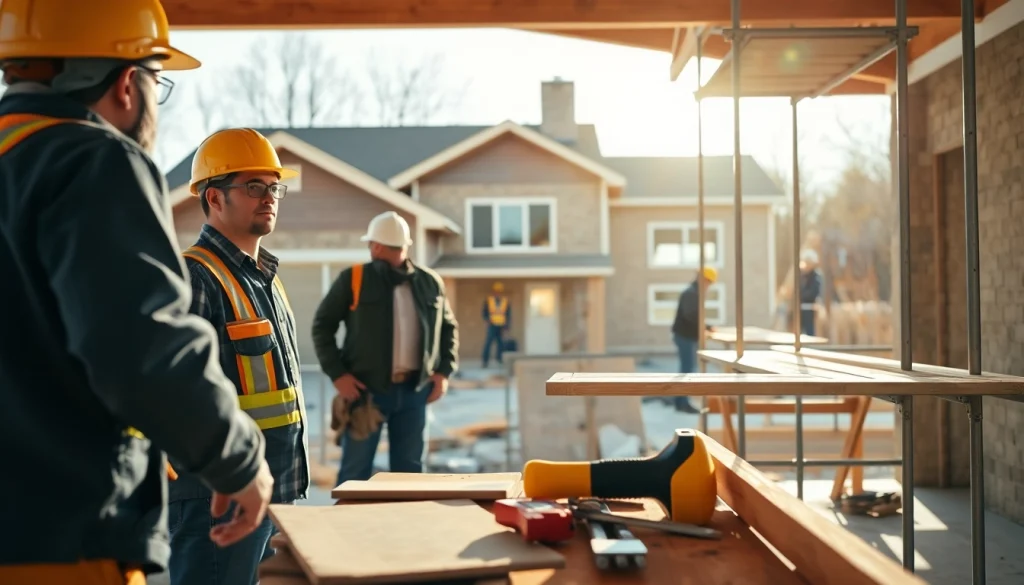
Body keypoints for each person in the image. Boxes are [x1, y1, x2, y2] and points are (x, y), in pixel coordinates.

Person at [0, 2, 273, 583]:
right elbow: (141, 346)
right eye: (157, 79)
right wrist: (238, 459)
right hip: (57, 538)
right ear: (127, 82)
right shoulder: (90, 160)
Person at [167, 129, 309, 585]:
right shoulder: (194, 277)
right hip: (216, 500)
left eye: (274, 187)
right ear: (214, 197)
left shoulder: (266, 279)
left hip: (270, 492)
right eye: (253, 187)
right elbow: (179, 394)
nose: (269, 197)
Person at [312, 211, 459, 486]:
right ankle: (348, 530)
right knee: (355, 475)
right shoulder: (353, 280)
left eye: (371, 244)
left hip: (415, 393)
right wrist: (338, 375)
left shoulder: (429, 282)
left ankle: (404, 530)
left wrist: (443, 372)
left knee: (409, 476)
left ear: (376, 246)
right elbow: (322, 326)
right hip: (365, 394)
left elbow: (448, 328)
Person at [670, 267, 719, 414]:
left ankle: (679, 402)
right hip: (685, 336)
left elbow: (695, 315)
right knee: (687, 370)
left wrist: (706, 326)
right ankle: (683, 403)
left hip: (687, 336)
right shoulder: (691, 293)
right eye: (708, 281)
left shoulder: (695, 292)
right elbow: (691, 315)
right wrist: (706, 326)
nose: (708, 285)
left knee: (686, 369)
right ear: (702, 279)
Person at [481, 282, 510, 367]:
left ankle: (500, 360)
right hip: (492, 325)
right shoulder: (489, 300)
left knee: (501, 344)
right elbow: (484, 312)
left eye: (499, 291)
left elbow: (508, 314)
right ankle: (485, 361)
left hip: (501, 325)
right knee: (488, 343)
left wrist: (507, 326)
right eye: (496, 291)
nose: (497, 293)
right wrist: (487, 320)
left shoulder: (505, 301)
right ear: (493, 291)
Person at [797, 249, 823, 337]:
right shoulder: (802, 276)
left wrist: (803, 296)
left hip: (810, 309)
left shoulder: (816, 277)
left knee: (810, 331)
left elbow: (814, 292)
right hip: (801, 309)